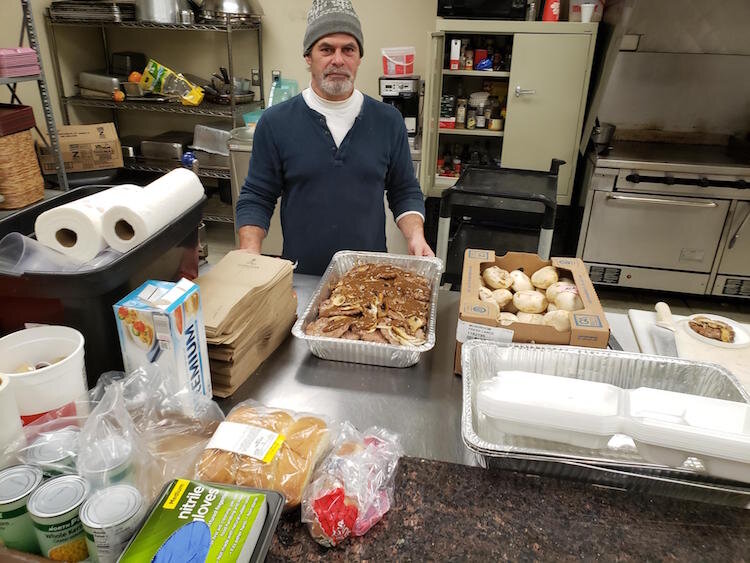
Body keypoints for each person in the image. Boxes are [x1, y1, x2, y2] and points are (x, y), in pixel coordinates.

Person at [235, 0, 433, 275]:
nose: (338, 59)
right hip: (301, 276)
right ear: (308, 56)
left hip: (369, 277)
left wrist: (415, 237)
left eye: (348, 49)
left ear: (359, 57)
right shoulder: (276, 123)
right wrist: (250, 250)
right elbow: (257, 195)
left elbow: (405, 190)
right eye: (326, 49)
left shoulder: (388, 121)